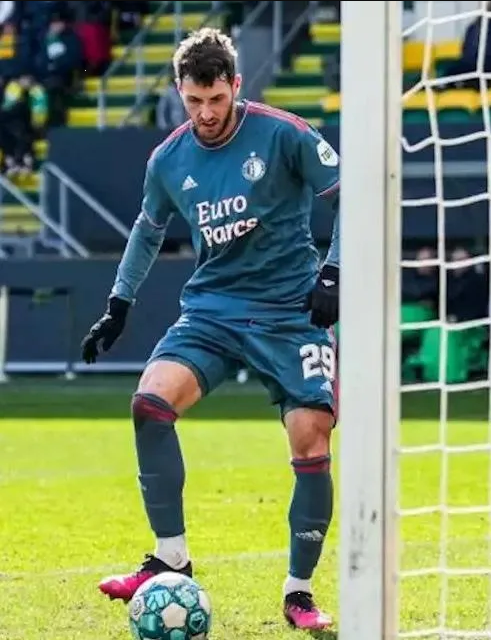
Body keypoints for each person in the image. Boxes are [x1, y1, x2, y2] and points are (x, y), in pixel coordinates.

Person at [78, 28, 340, 630]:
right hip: (213, 312)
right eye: (193, 102)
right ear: (180, 92)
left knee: (312, 440)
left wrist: (332, 275)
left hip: (290, 314)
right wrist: (119, 304)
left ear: (235, 86)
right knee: (149, 403)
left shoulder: (284, 133)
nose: (205, 114)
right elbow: (147, 231)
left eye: (215, 100)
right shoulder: (169, 159)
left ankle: (298, 593)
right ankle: (171, 558)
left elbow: (348, 196)